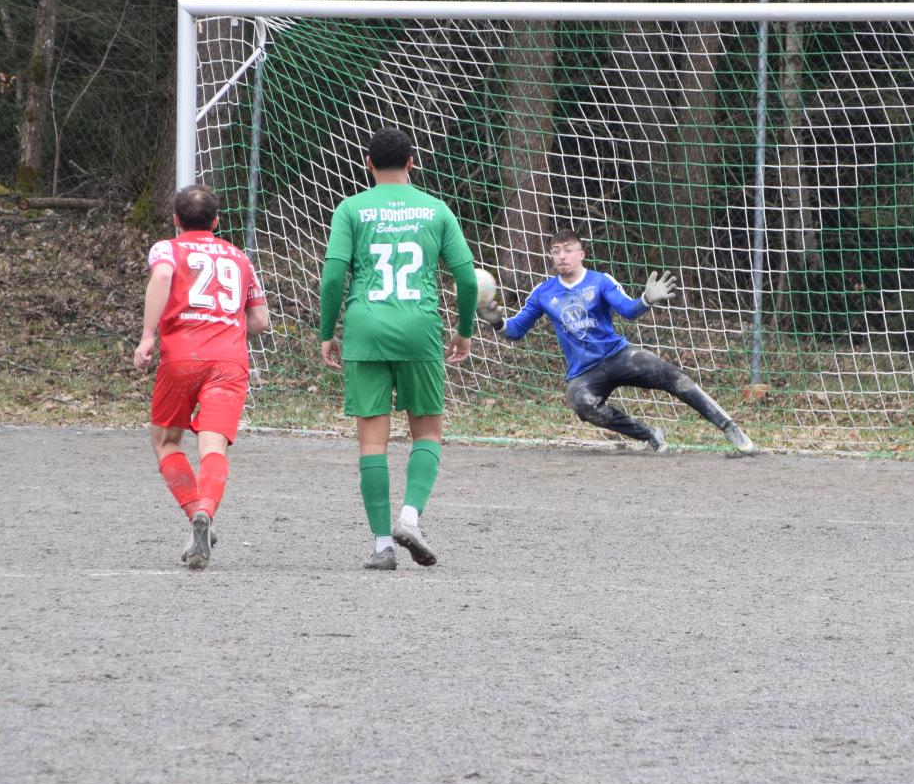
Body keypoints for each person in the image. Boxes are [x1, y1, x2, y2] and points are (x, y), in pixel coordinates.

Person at [318, 126, 479, 571]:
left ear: (368, 164)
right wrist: (464, 330)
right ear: (412, 162)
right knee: (427, 432)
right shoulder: (436, 210)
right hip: (418, 329)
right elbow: (467, 280)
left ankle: (382, 546)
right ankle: (410, 517)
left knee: (372, 441)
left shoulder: (351, 209)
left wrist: (326, 332)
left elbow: (333, 278)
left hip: (365, 330)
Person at [484, 229, 758, 457]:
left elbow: (629, 310)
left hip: (619, 355)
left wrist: (646, 300)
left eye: (568, 249)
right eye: (556, 250)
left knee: (672, 376)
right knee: (580, 401)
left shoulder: (600, 281)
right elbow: (515, 331)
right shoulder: (543, 292)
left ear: (581, 254)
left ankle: (729, 427)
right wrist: (497, 321)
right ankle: (649, 434)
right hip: (584, 372)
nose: (561, 256)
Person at [133, 184, 270, 570]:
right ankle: (206, 511)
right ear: (216, 221)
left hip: (181, 358)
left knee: (165, 441)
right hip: (229, 361)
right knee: (213, 448)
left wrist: (147, 337)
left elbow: (161, 278)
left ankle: (194, 511)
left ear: (176, 220)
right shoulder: (240, 258)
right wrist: (222, 326)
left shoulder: (167, 249)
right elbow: (260, 320)